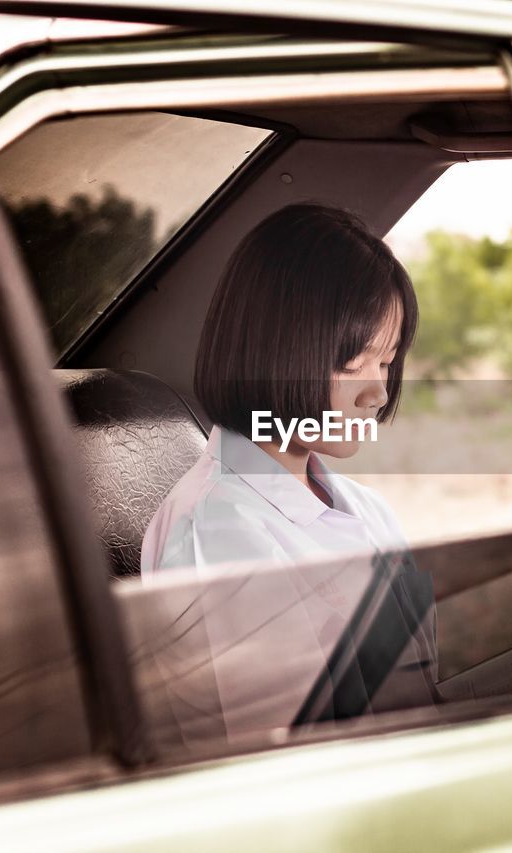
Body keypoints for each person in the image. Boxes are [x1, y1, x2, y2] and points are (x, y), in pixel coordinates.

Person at [140, 204, 436, 736]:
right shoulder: (215, 528)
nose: (378, 392)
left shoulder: (368, 509)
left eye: (387, 362)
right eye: (352, 365)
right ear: (276, 351)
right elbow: (288, 754)